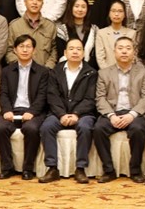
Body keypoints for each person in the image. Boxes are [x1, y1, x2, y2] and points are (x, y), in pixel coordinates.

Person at [39, 37, 99, 184]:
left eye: (79, 49)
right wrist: (62, 114)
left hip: (83, 114)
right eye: (71, 49)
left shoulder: (91, 73)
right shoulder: (55, 71)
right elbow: (52, 96)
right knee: (47, 126)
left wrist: (76, 114)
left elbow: (90, 99)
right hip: (59, 113)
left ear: (84, 53)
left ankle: (80, 168)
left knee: (85, 127)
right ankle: (52, 168)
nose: (75, 52)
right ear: (65, 52)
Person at [94, 37, 145, 183]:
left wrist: (132, 115)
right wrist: (111, 116)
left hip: (134, 112)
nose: (124, 51)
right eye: (120, 48)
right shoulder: (104, 73)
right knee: (98, 129)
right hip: (112, 112)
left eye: (128, 48)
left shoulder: (143, 72)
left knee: (138, 129)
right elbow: (100, 98)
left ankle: (135, 170)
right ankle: (109, 170)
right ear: (114, 51)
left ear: (134, 52)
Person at [0, 34, 49, 181]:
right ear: (15, 50)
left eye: (28, 47)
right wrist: (7, 110)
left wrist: (32, 112)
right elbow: (3, 94)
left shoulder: (43, 72)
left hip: (33, 112)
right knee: (0, 128)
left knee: (31, 129)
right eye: (21, 47)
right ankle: (7, 168)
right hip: (12, 110)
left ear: (34, 50)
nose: (25, 50)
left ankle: (27, 169)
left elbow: (42, 96)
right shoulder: (7, 71)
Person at [6, 0, 58, 69]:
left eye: (39, 0)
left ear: (42, 4)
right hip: (20, 70)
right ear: (25, 2)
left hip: (44, 72)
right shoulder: (14, 25)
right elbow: (9, 50)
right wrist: (22, 66)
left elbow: (54, 51)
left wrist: (47, 68)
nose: (35, 2)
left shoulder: (50, 26)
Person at [56, 0, 98, 71]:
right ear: (71, 8)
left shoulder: (94, 29)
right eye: (76, 6)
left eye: (83, 7)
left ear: (87, 9)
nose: (80, 9)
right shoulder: (62, 29)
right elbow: (61, 53)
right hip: (66, 70)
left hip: (89, 71)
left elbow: (95, 55)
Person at [95, 0, 137, 70]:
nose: (116, 14)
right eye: (113, 11)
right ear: (109, 13)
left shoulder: (132, 33)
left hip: (127, 72)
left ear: (124, 14)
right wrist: (109, 73)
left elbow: (134, 57)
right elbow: (100, 58)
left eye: (120, 11)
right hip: (107, 72)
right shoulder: (101, 33)